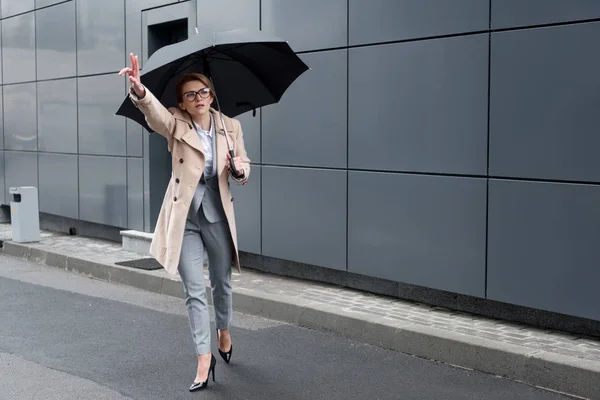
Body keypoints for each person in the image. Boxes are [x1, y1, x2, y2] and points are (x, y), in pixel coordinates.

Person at [119, 53, 250, 392]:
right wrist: (140, 91)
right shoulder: (177, 123)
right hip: (186, 218)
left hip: (218, 216)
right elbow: (157, 117)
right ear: (182, 102)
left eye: (203, 91)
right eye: (190, 95)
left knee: (221, 282)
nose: (198, 98)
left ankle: (224, 330)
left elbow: (244, 164)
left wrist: (240, 170)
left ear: (211, 93)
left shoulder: (229, 126)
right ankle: (203, 359)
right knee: (194, 290)